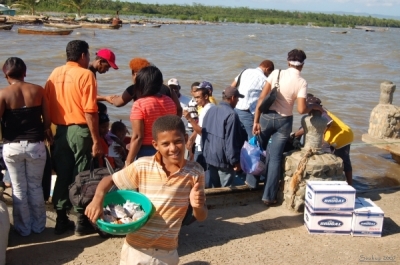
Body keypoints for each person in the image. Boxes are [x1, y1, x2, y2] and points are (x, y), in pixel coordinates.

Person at [85, 115, 208, 265]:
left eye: (178, 141)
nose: (173, 148)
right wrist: (97, 200)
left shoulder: (195, 172)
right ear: (155, 145)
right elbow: (108, 180)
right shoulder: (142, 166)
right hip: (136, 250)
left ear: (186, 138)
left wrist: (197, 206)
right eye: (165, 144)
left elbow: (201, 216)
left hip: (167, 253)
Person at [44, 40, 104, 235]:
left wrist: (47, 130)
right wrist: (96, 140)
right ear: (83, 56)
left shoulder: (55, 73)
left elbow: (45, 103)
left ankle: (61, 220)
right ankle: (81, 220)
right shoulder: (86, 74)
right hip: (80, 130)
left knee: (62, 174)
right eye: (88, 55)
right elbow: (90, 111)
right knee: (82, 175)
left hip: (59, 130)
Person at [251, 49, 323, 206]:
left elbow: (262, 98)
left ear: (288, 61)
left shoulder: (276, 73)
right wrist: (314, 106)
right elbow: (301, 110)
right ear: (302, 65)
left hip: (266, 117)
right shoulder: (302, 82)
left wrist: (256, 121)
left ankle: (252, 183)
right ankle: (268, 197)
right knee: (275, 158)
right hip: (284, 121)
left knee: (257, 149)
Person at [0, 57, 52, 236]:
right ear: (25, 72)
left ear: (5, 74)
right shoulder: (38, 90)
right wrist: (47, 132)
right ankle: (38, 226)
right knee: (35, 187)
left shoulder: (3, 94)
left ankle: (23, 229)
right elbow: (47, 120)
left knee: (18, 187)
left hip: (12, 147)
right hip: (35, 146)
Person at [291, 94, 354, 185]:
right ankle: (340, 181)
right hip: (337, 137)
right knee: (336, 159)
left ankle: (349, 184)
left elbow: (328, 123)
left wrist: (321, 136)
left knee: (343, 161)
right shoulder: (312, 115)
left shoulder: (321, 112)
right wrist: (295, 135)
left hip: (342, 137)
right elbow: (305, 127)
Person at [125, 66, 177, 165]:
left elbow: (138, 137)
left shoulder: (139, 104)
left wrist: (128, 161)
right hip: (167, 149)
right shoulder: (169, 101)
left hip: (147, 150)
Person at [96, 57, 182, 116]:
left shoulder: (134, 88)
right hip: (165, 131)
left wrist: (108, 98)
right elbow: (178, 109)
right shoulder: (168, 89)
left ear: (136, 74)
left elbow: (118, 103)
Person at [201, 86, 247, 187]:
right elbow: (231, 141)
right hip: (223, 161)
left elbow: (203, 134)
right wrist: (235, 162)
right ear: (232, 98)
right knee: (225, 190)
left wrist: (205, 153)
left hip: (209, 156)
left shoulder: (211, 110)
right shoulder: (232, 115)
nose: (238, 101)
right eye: (237, 98)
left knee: (214, 189)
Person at [232, 60, 274, 140]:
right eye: (269, 73)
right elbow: (267, 99)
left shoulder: (245, 71)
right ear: (267, 69)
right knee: (253, 138)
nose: (268, 75)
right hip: (248, 111)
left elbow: (232, 87)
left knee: (237, 136)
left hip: (236, 107)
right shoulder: (264, 79)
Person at [183, 85, 214, 186]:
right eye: (195, 97)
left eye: (198, 97)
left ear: (206, 96)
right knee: (203, 170)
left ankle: (202, 190)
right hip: (203, 144)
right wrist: (191, 139)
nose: (196, 100)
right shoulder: (207, 108)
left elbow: (201, 131)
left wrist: (189, 119)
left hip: (203, 146)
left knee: (198, 170)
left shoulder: (207, 110)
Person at [186, 81, 200, 161]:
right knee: (192, 154)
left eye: (198, 91)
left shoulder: (195, 102)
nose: (196, 93)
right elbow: (195, 121)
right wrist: (191, 138)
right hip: (193, 130)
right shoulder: (193, 104)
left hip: (194, 129)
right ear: (191, 92)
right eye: (194, 91)